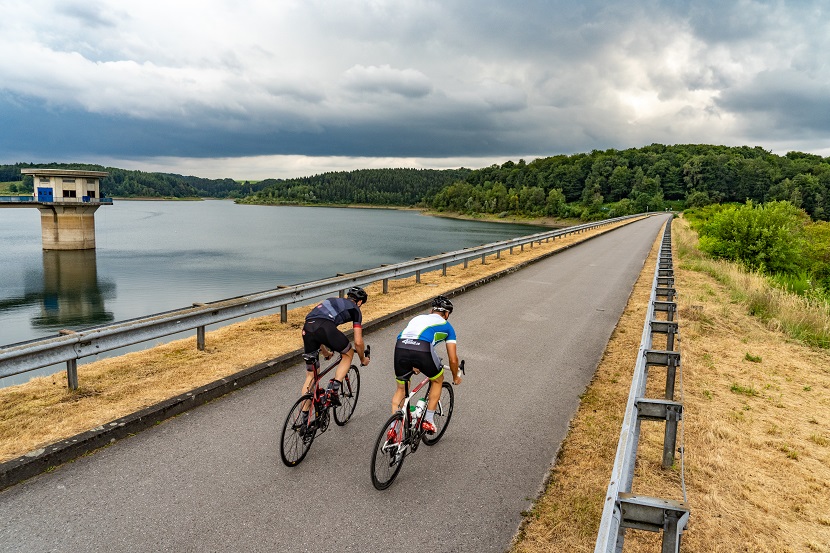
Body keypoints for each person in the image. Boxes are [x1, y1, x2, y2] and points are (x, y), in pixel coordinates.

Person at [388, 295, 461, 440]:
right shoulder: (448, 327)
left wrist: (413, 362)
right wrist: (455, 376)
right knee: (438, 379)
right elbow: (453, 359)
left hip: (400, 346)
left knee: (401, 389)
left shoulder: (417, 318)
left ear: (432, 310)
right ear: (446, 314)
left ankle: (393, 430)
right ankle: (428, 420)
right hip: (422, 349)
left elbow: (405, 337)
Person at [300, 286, 370, 421]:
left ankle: (304, 420)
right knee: (348, 353)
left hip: (307, 328)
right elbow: (358, 342)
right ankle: (334, 389)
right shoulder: (356, 309)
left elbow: (316, 331)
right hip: (325, 327)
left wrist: (325, 352)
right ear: (360, 302)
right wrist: (362, 359)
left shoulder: (331, 300)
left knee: (311, 376)